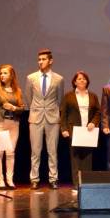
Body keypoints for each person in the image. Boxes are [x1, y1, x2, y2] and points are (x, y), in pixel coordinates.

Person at [24, 49, 65, 190]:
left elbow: (59, 99)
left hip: (52, 118)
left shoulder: (59, 79)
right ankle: (34, 179)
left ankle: (53, 179)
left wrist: (50, 109)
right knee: (35, 151)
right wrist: (37, 108)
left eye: (43, 59)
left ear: (50, 61)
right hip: (35, 117)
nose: (40, 62)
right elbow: (28, 98)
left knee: (52, 151)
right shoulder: (31, 78)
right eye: (39, 59)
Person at [59, 71, 100, 190]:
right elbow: (63, 113)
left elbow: (98, 112)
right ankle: (77, 184)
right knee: (75, 159)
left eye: (84, 79)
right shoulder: (68, 96)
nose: (82, 81)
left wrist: (93, 122)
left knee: (87, 158)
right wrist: (64, 128)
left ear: (87, 81)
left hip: (88, 131)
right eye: (79, 79)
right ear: (74, 82)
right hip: (74, 130)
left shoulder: (92, 96)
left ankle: (86, 183)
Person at [0, 64, 25, 190]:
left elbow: (22, 108)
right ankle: (0, 179)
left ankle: (10, 179)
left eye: (5, 73)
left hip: (13, 124)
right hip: (0, 122)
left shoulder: (17, 90)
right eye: (1, 73)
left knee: (10, 153)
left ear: (11, 75)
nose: (2, 75)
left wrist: (14, 108)